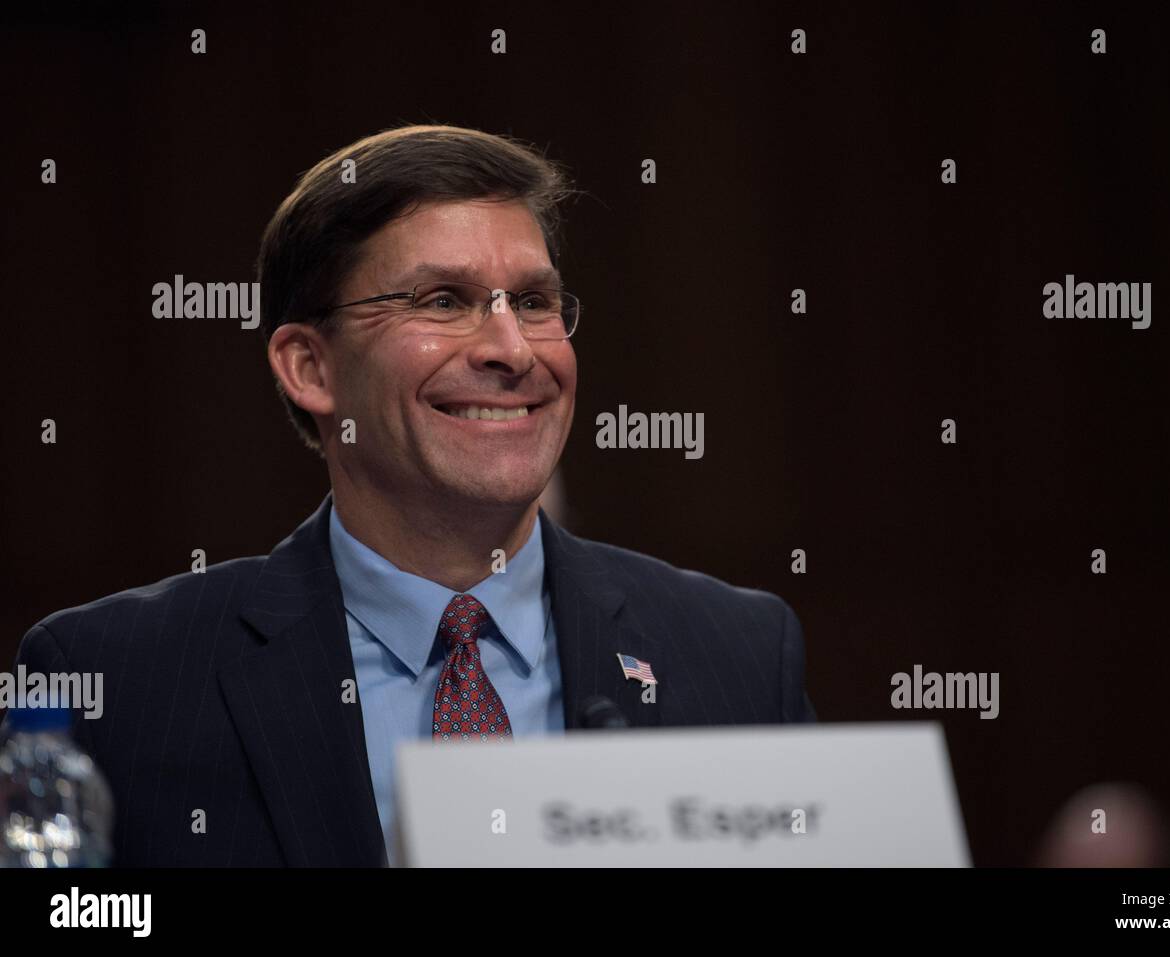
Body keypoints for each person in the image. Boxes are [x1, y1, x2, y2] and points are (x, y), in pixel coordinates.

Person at [9, 125, 817, 867]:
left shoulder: (738, 653)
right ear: (310, 368)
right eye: (443, 302)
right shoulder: (118, 678)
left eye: (534, 302)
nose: (510, 349)